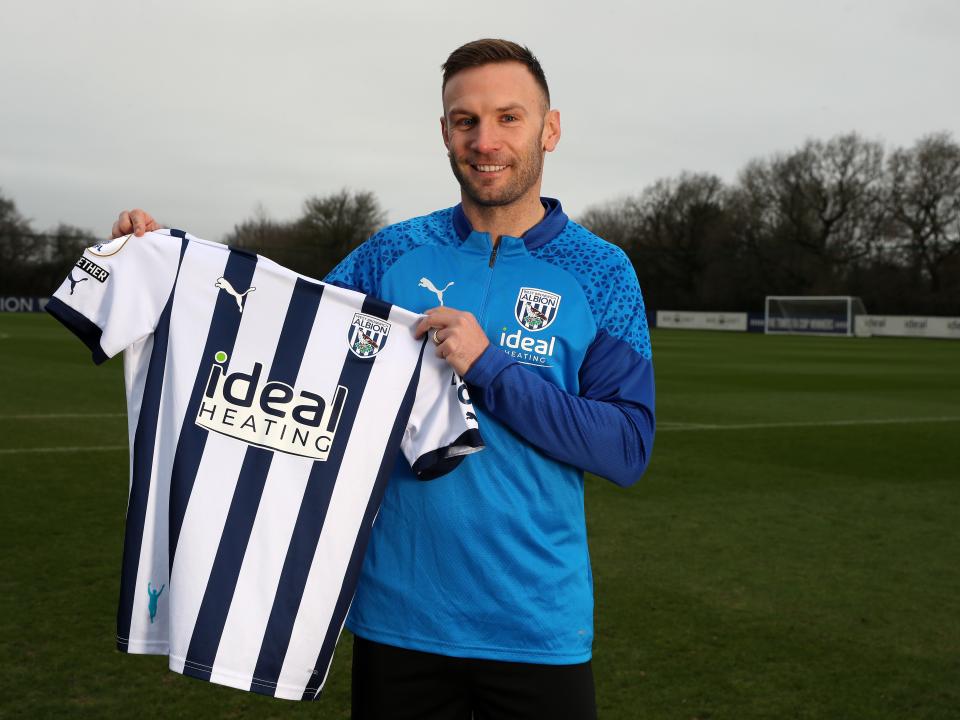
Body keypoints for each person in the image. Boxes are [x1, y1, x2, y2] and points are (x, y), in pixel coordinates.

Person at [112, 38, 655, 720]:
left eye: (508, 118)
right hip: (399, 621)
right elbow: (276, 330)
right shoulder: (391, 255)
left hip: (537, 628)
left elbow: (627, 448)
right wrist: (169, 265)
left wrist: (489, 368)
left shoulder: (601, 273)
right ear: (444, 132)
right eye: (466, 121)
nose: (485, 140)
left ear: (549, 128)